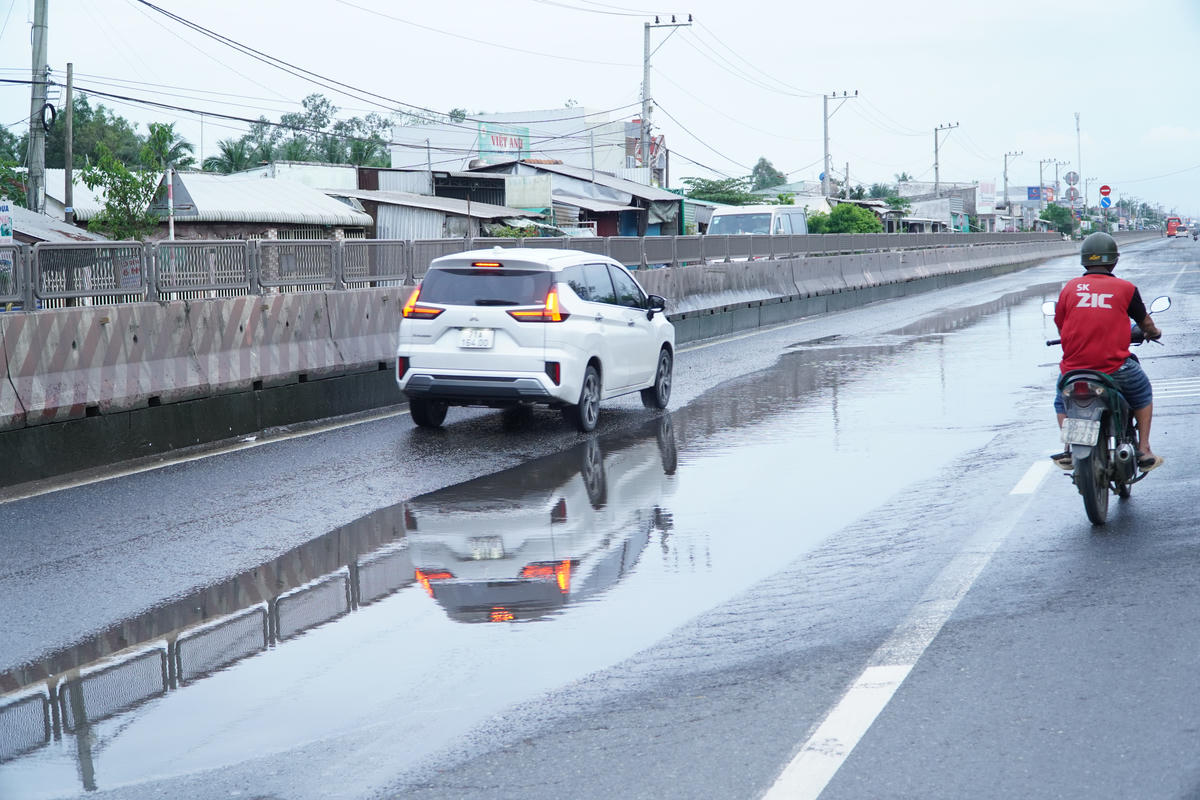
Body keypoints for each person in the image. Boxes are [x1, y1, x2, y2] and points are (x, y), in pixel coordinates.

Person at [1050, 231, 1163, 471]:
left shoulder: (1069, 288)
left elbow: (1061, 325)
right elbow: (1145, 324)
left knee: (1062, 401)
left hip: (1073, 369)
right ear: (1114, 260)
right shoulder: (1126, 288)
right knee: (1142, 392)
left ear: (1084, 260)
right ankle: (1143, 449)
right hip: (1114, 367)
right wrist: (1154, 333)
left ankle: (1070, 447)